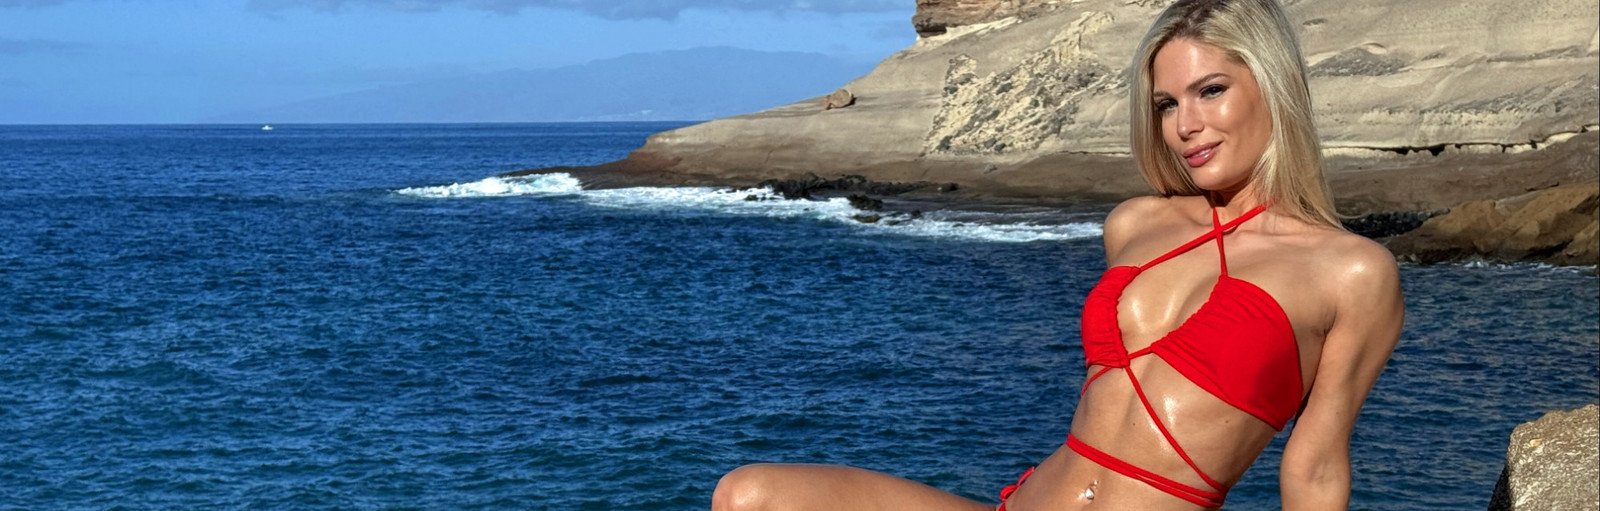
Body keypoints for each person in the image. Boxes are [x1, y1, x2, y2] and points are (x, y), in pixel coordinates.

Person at [709, 0, 1404, 509]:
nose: (1185, 125)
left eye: (1210, 91)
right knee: (749, 494)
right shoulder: (1136, 224)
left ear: (1273, 87)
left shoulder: (1351, 272)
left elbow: (1314, 470)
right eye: (1166, 104)